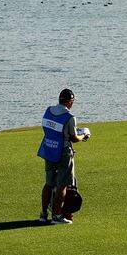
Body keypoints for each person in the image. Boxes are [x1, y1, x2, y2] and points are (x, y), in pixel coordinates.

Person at [37, 88, 89, 224]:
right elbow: (73, 138)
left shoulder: (48, 111)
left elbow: (47, 129)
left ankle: (43, 214)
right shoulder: (70, 118)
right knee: (62, 185)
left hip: (49, 149)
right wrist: (84, 136)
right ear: (69, 101)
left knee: (49, 183)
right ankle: (57, 216)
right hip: (63, 152)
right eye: (72, 101)